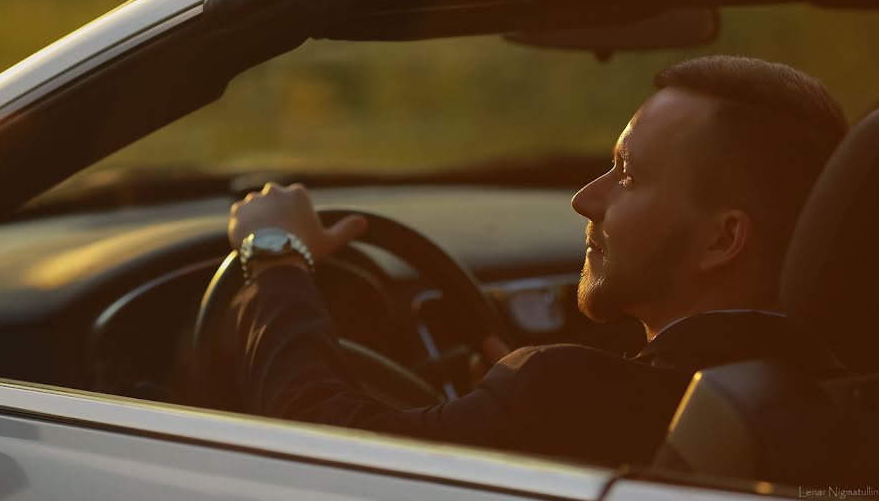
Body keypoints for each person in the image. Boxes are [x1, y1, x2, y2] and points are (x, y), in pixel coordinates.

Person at [218, 55, 848, 466]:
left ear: (723, 239)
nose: (585, 199)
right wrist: (499, 411)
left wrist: (274, 257)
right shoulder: (846, 392)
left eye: (627, 175)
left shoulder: (565, 400)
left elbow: (312, 444)